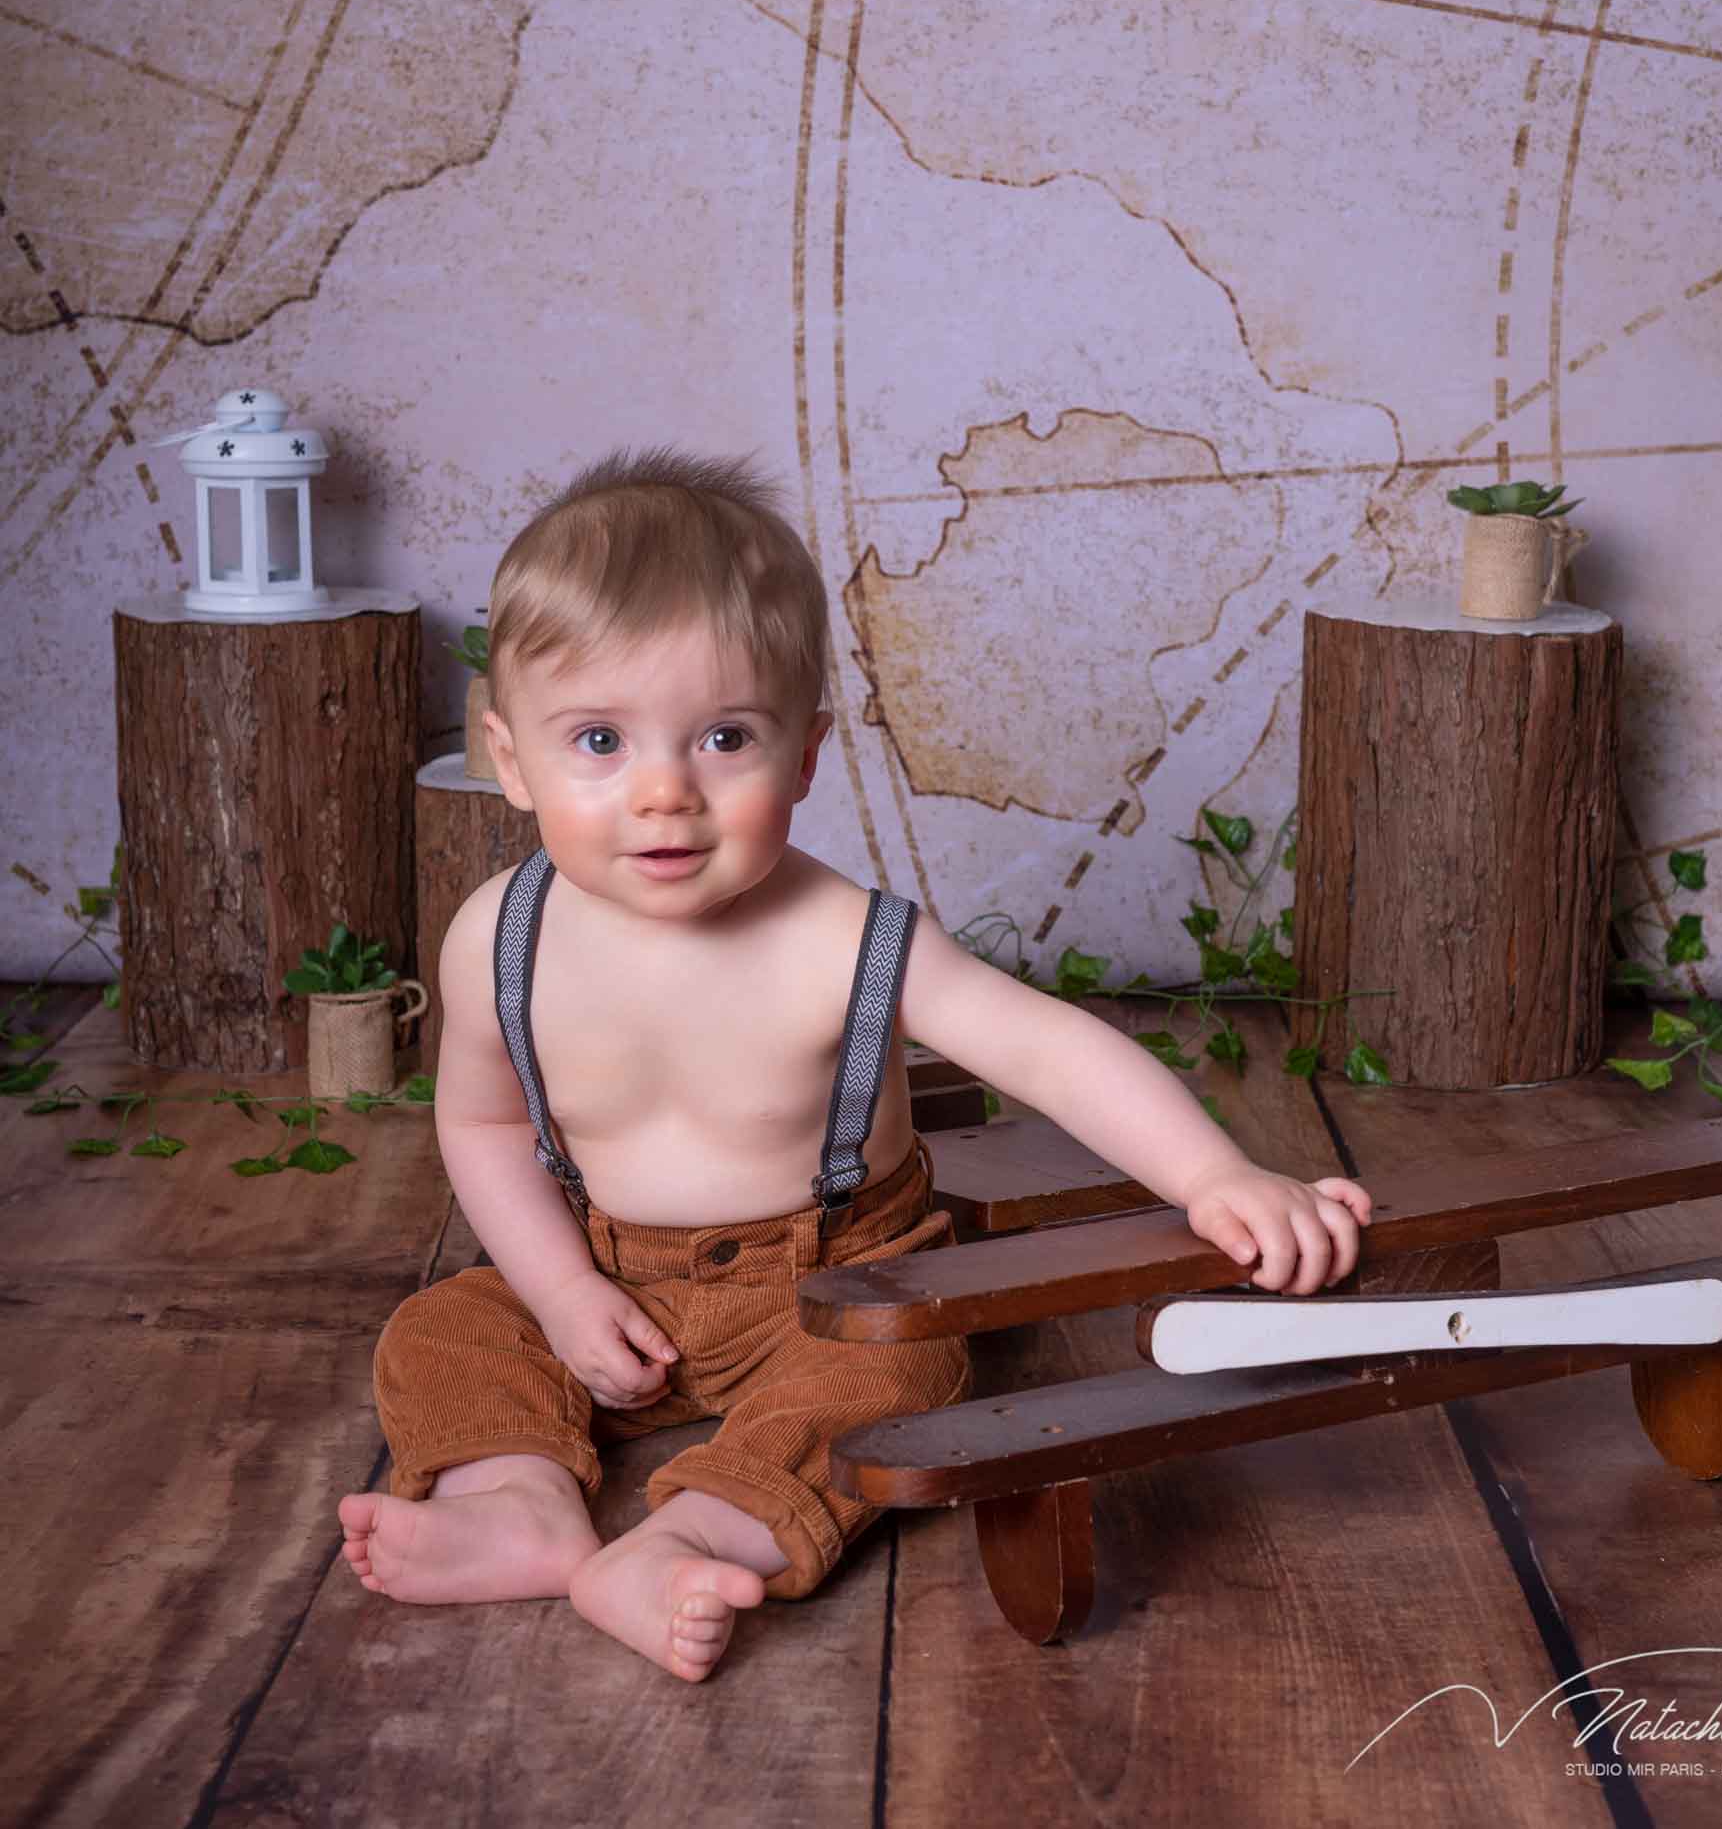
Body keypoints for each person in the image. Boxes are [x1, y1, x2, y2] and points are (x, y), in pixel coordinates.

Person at [338, 447, 1372, 1682]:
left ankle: (696, 1529)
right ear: (510, 758)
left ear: (808, 754)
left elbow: (1045, 1047)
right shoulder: (497, 935)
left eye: (724, 737)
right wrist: (560, 1295)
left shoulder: (846, 938)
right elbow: (490, 1131)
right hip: (607, 1271)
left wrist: (1216, 1173)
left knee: (902, 1367)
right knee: (445, 1327)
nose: (665, 793)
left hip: (835, 1284)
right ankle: (516, 1498)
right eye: (600, 740)